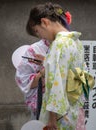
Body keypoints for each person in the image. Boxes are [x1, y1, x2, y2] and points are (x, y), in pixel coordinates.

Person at [26, 2, 95, 130]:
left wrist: (52, 120)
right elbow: (84, 78)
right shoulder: (76, 42)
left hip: (60, 116)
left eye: (37, 31)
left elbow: (55, 83)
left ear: (44, 22)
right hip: (74, 110)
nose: (40, 36)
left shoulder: (58, 44)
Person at [15, 39, 49, 119]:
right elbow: (25, 80)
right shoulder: (35, 49)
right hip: (41, 106)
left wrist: (46, 63)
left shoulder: (70, 45)